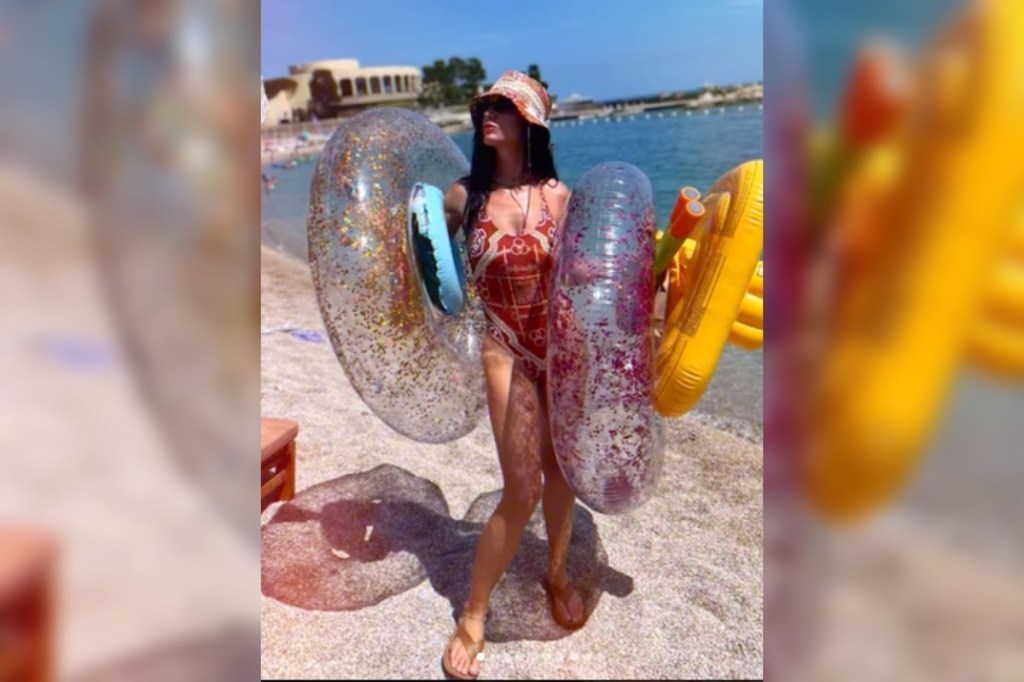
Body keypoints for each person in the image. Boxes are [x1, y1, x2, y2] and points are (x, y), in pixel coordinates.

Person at [440, 71, 584, 680]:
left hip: (560, 351)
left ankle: (556, 572)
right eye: (487, 106)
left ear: (531, 124)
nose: (489, 114)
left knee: (563, 472)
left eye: (503, 106)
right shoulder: (462, 198)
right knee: (522, 488)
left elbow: (588, 278)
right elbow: (422, 269)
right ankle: (473, 613)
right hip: (503, 350)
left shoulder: (559, 197)